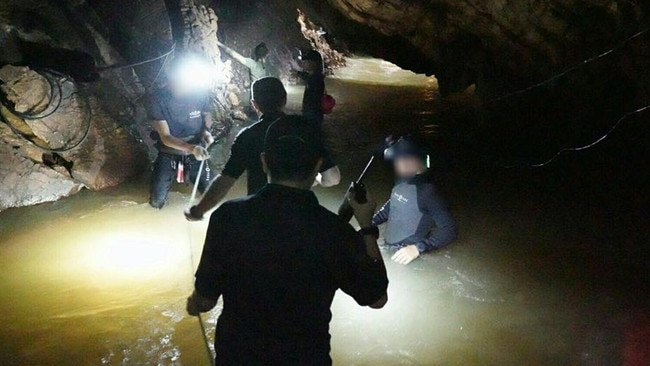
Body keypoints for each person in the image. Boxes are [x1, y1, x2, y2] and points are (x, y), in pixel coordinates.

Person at [186, 117, 388, 365]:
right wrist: (366, 226)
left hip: (238, 356)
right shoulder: (334, 232)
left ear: (264, 161)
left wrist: (194, 303)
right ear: (318, 165)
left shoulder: (227, 217)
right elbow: (377, 298)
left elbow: (205, 300)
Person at [185, 77, 340, 221]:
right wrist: (316, 178)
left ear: (254, 104)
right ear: (285, 99)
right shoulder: (305, 131)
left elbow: (226, 180)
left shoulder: (247, 136)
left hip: (258, 215)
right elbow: (333, 179)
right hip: (300, 216)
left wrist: (199, 210)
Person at [372, 136, 457, 265]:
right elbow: (393, 204)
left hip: (408, 257)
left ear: (414, 160)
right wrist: (371, 222)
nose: (396, 164)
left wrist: (418, 248)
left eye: (400, 160)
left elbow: (449, 230)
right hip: (388, 248)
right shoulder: (402, 180)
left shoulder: (428, 192)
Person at [147, 56, 214, 209]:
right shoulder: (157, 99)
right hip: (169, 151)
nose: (186, 87)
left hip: (197, 148)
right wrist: (191, 148)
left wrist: (206, 132)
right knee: (156, 201)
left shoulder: (200, 92)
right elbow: (165, 137)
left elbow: (206, 115)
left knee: (212, 194)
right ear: (171, 78)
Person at [294, 50, 326, 125]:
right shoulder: (315, 76)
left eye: (306, 61)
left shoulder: (316, 78)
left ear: (314, 63)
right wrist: (298, 73)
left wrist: (299, 74)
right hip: (312, 112)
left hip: (313, 114)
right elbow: (308, 77)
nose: (303, 63)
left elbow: (312, 80)